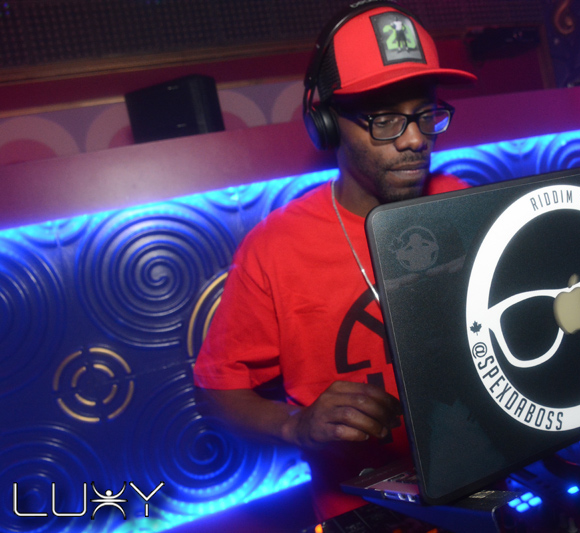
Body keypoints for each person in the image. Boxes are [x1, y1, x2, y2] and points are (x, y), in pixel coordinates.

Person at [193, 0, 476, 521]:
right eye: (385, 118)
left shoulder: (463, 203)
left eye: (426, 113)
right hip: (361, 512)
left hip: (486, 485)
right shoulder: (275, 248)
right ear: (325, 123)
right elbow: (217, 391)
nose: (416, 139)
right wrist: (295, 426)